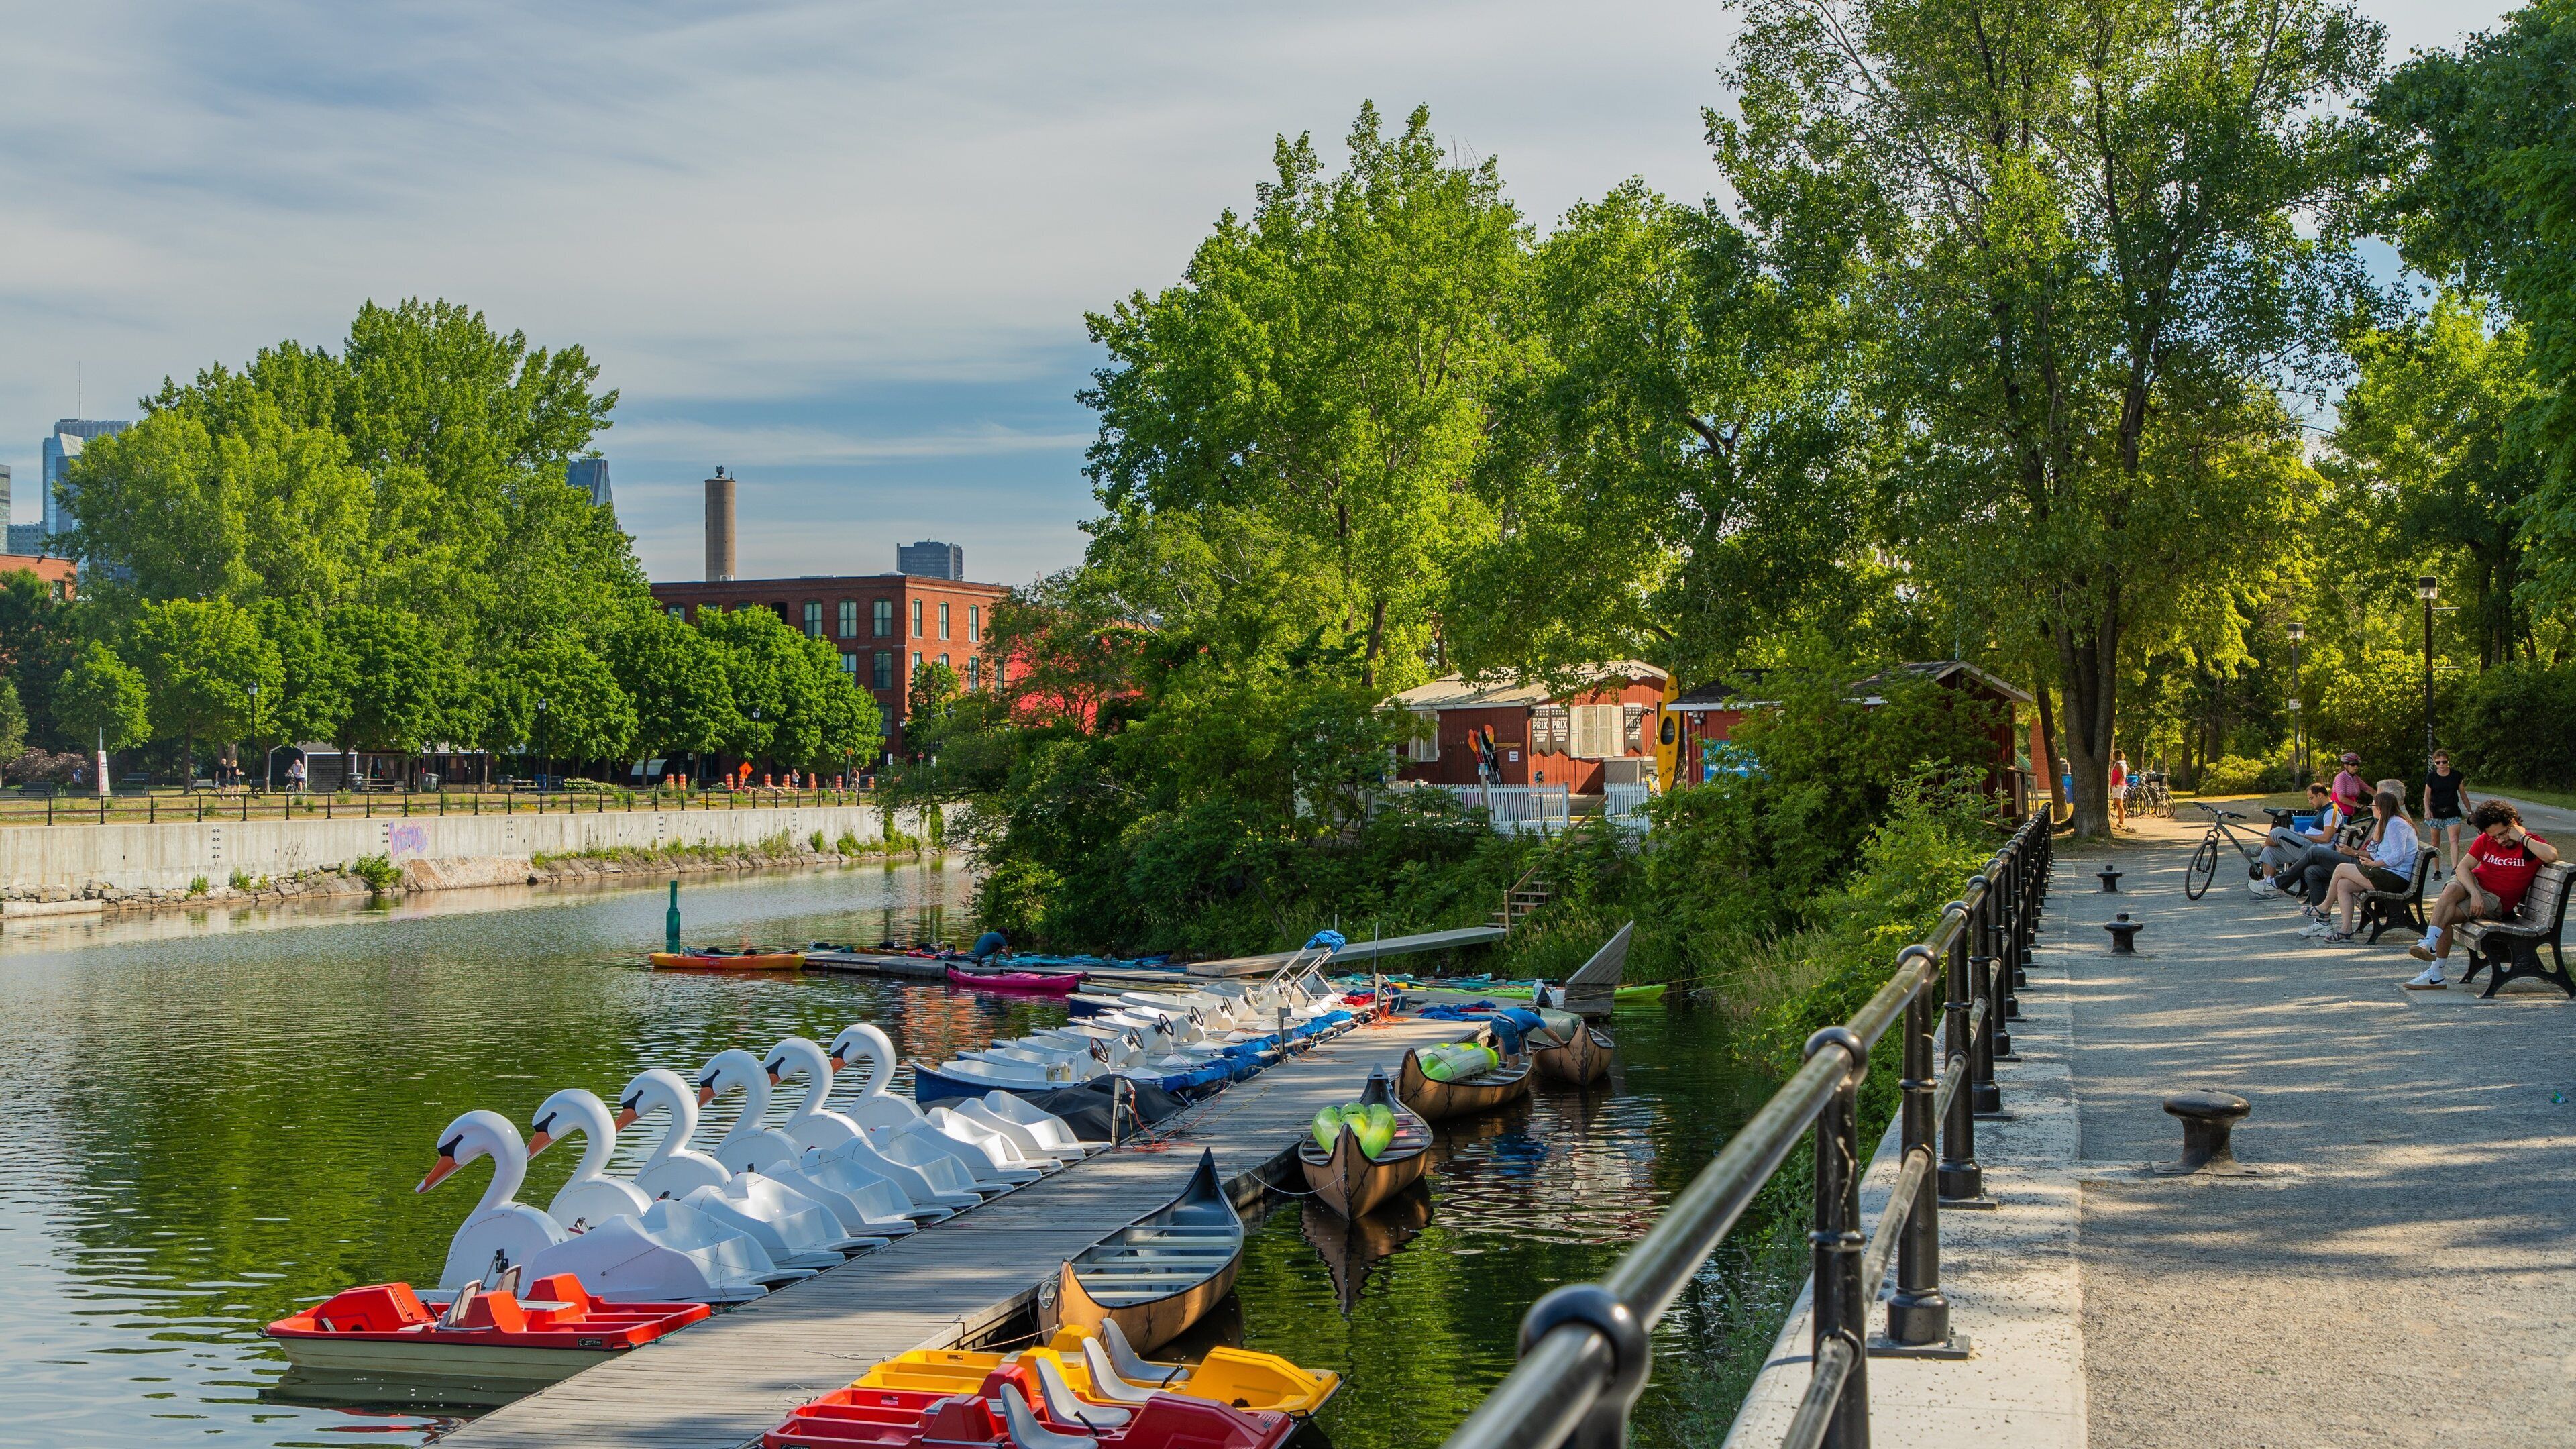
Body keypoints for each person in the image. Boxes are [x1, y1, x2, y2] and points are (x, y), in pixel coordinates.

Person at [2404, 800, 2559, 988]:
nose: (2500, 840)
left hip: (2495, 900)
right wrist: (2474, 892)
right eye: (2495, 837)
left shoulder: (2530, 844)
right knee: (2451, 889)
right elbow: (2462, 868)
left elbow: (2551, 855)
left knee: (2444, 916)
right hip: (2474, 886)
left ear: (2512, 822)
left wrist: (2522, 837)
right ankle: (2430, 943)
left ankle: (2435, 972)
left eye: (2502, 833)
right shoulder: (2487, 840)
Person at [2312, 792, 2422, 943]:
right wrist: (2376, 837)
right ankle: (2346, 931)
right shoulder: (2388, 823)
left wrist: (2373, 864)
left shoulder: (2396, 824)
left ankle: (2324, 908)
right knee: (2343, 884)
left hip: (2395, 877)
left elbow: (2398, 856)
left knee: (2341, 869)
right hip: (2385, 873)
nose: (2372, 808)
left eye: (2374, 806)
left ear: (2382, 808)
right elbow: (2376, 851)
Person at [2253, 783, 2341, 898]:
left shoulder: (2332, 811)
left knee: (2278, 832)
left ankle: (2262, 846)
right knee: (2269, 851)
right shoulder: (2324, 810)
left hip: (2314, 850)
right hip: (2306, 846)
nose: (2310, 802)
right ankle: (2269, 888)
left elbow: (2326, 838)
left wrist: (2306, 837)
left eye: (2311, 798)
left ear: (2320, 795)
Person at [2421, 750, 2473, 875]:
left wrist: (2470, 811)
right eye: (2438, 762)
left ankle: (2455, 869)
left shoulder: (2456, 776)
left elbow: (2463, 794)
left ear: (2448, 761)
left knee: (2454, 840)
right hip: (2436, 812)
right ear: (2435, 763)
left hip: (2452, 811)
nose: (2441, 765)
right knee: (2435, 842)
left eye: (2444, 762)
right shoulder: (2431, 777)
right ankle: (2437, 870)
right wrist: (2427, 810)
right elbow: (2427, 796)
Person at [2330, 752, 2367, 817]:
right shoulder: (2341, 778)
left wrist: (2380, 795)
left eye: (2357, 765)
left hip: (2349, 813)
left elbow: (2368, 789)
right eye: (2353, 765)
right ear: (2345, 766)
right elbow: (2341, 798)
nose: (2356, 767)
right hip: (2339, 814)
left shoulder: (2355, 778)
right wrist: (2358, 805)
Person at [2110, 753, 2131, 827]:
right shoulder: (2122, 764)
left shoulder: (2119, 765)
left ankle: (2121, 822)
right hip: (2118, 785)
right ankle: (2121, 821)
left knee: (2119, 804)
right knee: (2118, 804)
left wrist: (2117, 784)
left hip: (2119, 786)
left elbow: (2123, 776)